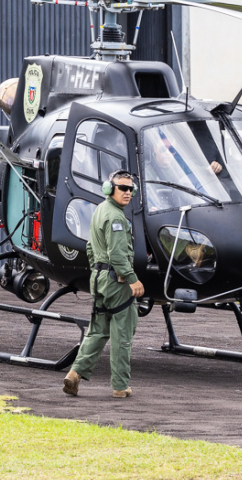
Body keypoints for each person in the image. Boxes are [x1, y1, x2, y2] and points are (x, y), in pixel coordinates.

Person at [63, 170, 145, 398]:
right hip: (116, 283)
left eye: (131, 189)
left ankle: (74, 374)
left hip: (99, 280)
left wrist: (99, 271)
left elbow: (90, 247)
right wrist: (132, 279)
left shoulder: (100, 210)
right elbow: (118, 255)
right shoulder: (117, 217)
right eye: (122, 188)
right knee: (122, 333)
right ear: (110, 188)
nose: (128, 193)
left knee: (97, 332)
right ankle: (120, 386)